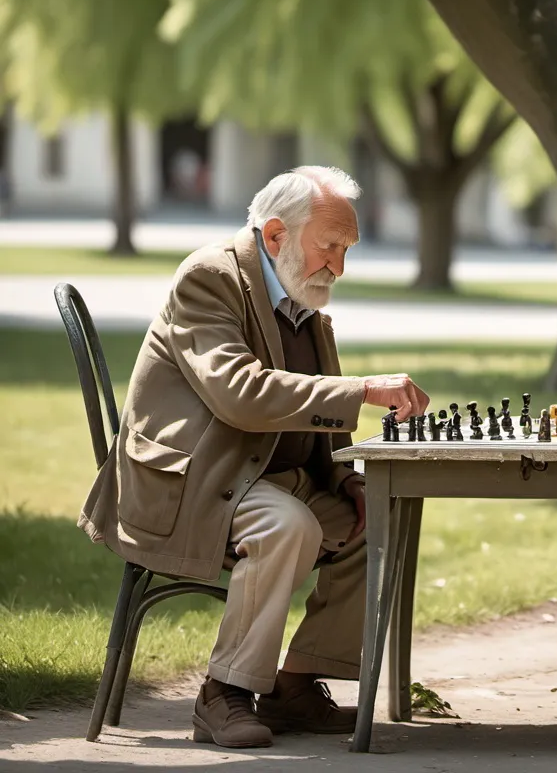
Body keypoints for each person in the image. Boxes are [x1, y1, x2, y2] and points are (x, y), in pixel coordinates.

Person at [79, 166, 429, 749]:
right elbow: (239, 393)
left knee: (382, 515)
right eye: (331, 246)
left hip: (263, 477)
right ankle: (223, 692)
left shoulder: (297, 293)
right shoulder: (208, 278)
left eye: (347, 250)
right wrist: (364, 390)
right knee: (287, 525)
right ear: (274, 235)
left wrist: (344, 477)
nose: (338, 267)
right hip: (190, 481)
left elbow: (307, 422)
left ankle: (293, 686)